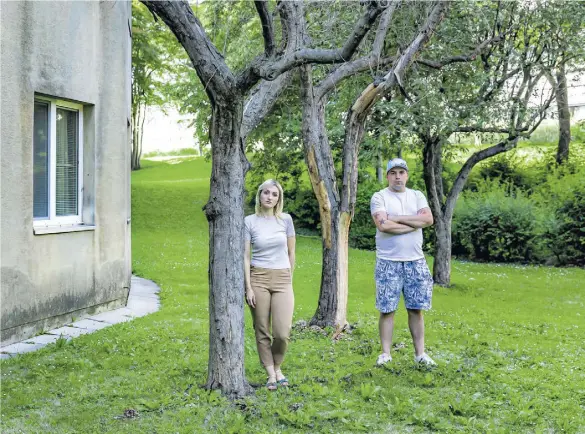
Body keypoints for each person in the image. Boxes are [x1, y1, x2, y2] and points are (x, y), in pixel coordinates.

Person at [370, 158, 436, 367]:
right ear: (388, 176)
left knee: (416, 309)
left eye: (401, 172)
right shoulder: (379, 197)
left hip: (415, 261)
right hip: (388, 261)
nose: (397, 176)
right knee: (387, 309)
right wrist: (412, 224)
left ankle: (420, 354)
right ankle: (386, 354)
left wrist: (396, 218)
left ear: (407, 175)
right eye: (393, 173)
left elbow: (428, 220)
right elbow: (383, 225)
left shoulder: (417, 196)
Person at [244, 179, 296, 390]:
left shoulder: (285, 220)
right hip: (258, 278)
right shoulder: (249, 221)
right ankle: (272, 373)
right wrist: (248, 287)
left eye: (274, 194)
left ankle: (277, 365)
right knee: (262, 329)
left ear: (278, 199)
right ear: (259, 195)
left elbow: (292, 252)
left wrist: (289, 278)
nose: (269, 197)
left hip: (283, 278)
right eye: (266, 193)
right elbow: (246, 256)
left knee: (282, 332)